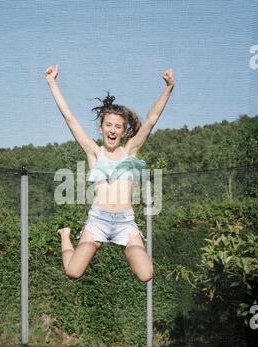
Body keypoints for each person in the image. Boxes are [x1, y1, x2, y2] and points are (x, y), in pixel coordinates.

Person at [45, 64, 174, 282]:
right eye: (108, 125)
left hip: (125, 223)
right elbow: (69, 118)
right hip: (98, 221)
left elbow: (151, 119)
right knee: (73, 272)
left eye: (118, 126)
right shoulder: (93, 152)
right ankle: (65, 235)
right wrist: (52, 82)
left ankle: (125, 244)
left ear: (124, 131)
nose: (112, 130)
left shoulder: (130, 151)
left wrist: (169, 87)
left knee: (146, 274)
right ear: (101, 128)